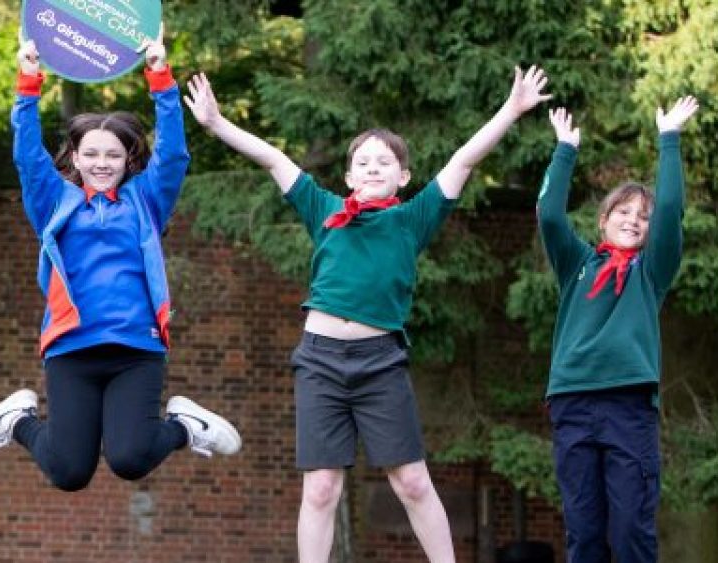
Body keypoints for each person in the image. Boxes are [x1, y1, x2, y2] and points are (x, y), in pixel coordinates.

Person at [184, 67, 553, 562]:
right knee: (320, 489)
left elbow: (464, 159)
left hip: (380, 362)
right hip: (320, 362)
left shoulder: (413, 218)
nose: (374, 167)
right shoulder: (323, 209)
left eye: (385, 161)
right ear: (350, 175)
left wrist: (511, 109)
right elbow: (274, 158)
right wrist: (216, 123)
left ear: (402, 176)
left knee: (413, 482)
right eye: (364, 161)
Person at [0, 38, 241, 494]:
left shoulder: (145, 202)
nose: (101, 163)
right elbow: (27, 156)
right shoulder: (54, 201)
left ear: (128, 160)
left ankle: (185, 427)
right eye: (91, 154)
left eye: (113, 155)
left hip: (135, 348)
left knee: (130, 459)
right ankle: (17, 421)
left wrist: (160, 79)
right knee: (69, 472)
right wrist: (28, 82)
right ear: (74, 158)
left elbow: (173, 156)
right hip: (71, 348)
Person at [537, 97, 698, 563]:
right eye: (623, 213)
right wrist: (565, 149)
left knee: (630, 534)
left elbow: (670, 209)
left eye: (641, 218)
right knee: (585, 536)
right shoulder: (577, 265)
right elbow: (549, 214)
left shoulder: (652, 272)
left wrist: (669, 139)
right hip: (573, 402)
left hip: (628, 407)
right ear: (604, 221)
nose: (633, 220)